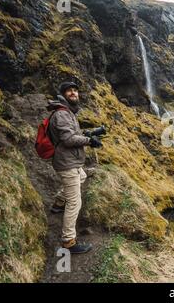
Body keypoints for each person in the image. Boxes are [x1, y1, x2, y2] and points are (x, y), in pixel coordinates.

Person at [47, 82, 102, 254]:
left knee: (83, 177)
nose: (73, 92)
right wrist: (89, 141)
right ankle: (68, 241)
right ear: (63, 94)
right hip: (67, 162)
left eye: (76, 90)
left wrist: (88, 134)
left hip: (71, 161)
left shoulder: (69, 112)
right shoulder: (62, 114)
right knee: (75, 202)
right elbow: (68, 140)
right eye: (69, 90)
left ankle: (58, 203)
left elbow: (71, 134)